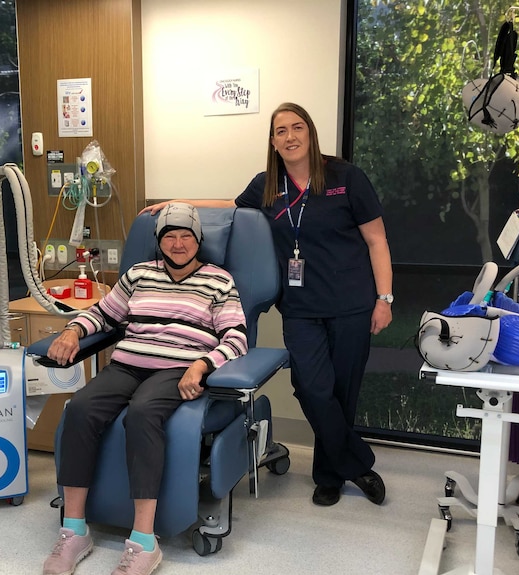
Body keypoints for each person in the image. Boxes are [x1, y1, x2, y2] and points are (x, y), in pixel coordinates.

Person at [141, 102, 393, 508]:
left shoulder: (347, 177)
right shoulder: (267, 184)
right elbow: (229, 207)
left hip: (352, 304)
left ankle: (329, 475)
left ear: (310, 133)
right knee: (311, 388)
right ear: (273, 142)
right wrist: (176, 204)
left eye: (297, 128)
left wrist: (385, 299)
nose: (290, 137)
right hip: (300, 306)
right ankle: (358, 463)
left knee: (343, 392)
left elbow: (377, 241)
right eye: (280, 131)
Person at [42, 202, 248, 575]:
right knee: (80, 408)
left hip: (178, 368)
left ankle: (144, 541)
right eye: (170, 235)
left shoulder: (218, 280)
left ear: (199, 240)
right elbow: (104, 313)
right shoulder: (138, 274)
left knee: (142, 413)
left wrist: (201, 366)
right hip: (127, 364)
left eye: (187, 235)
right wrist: (72, 329)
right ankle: (73, 531)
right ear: (159, 241)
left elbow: (236, 337)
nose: (179, 243)